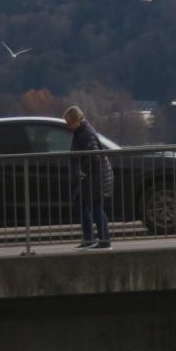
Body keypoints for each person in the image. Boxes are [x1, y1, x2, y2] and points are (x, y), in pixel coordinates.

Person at [64, 105, 113, 248]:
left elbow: (94, 158)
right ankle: (92, 239)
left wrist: (82, 173)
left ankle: (103, 241)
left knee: (96, 207)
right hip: (94, 178)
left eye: (69, 123)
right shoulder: (82, 132)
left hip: (96, 179)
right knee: (82, 203)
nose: (68, 127)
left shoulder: (85, 134)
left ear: (77, 120)